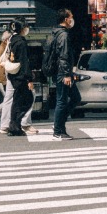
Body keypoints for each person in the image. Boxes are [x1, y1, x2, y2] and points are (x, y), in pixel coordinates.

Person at [44, 10, 78, 140]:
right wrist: (66, 74)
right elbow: (63, 56)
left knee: (75, 98)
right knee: (62, 101)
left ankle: (59, 124)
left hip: (62, 72)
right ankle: (58, 131)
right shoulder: (63, 35)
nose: (72, 20)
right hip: (62, 73)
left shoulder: (55, 33)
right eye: (71, 17)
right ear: (65, 19)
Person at [0, 22, 32, 136]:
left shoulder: (11, 40)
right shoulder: (22, 42)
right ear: (22, 28)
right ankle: (15, 126)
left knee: (16, 101)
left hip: (12, 74)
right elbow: (24, 61)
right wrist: (29, 79)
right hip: (21, 75)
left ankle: (13, 126)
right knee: (25, 100)